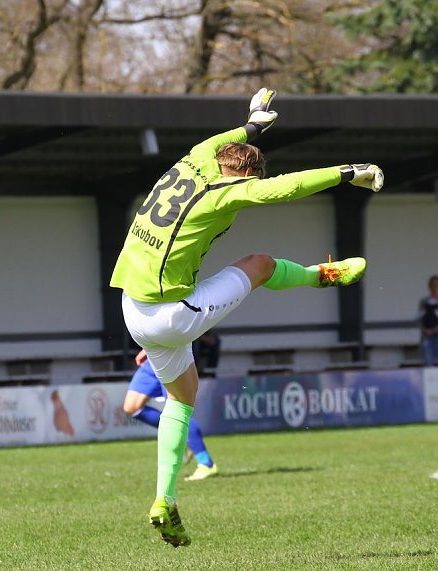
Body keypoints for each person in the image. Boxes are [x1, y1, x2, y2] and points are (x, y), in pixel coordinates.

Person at [109, 87, 383, 547]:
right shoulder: (228, 191)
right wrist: (346, 172)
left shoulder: (195, 157)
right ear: (248, 175)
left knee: (182, 398)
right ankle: (325, 275)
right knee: (259, 264)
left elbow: (233, 138)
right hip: (170, 314)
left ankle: (165, 500)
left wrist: (254, 122)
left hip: (133, 307)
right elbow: (288, 186)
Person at [123, 349, 218, 481]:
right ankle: (180, 436)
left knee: (179, 411)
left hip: (170, 358)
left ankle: (206, 464)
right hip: (152, 360)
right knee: (131, 407)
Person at [418, 275, 438, 366]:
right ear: (429, 287)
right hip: (427, 337)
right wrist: (425, 330)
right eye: (432, 285)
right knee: (428, 363)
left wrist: (436, 329)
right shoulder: (423, 301)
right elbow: (419, 319)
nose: (435, 287)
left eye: (437, 285)